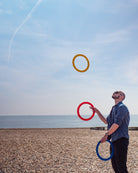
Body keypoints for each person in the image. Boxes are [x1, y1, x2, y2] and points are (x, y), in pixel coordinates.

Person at [90, 91, 130, 173]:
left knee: (121, 167)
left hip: (121, 140)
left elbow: (116, 124)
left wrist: (106, 134)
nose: (114, 93)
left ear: (121, 96)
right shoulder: (114, 108)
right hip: (114, 141)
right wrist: (97, 111)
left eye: (116, 92)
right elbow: (106, 121)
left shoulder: (122, 108)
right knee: (115, 167)